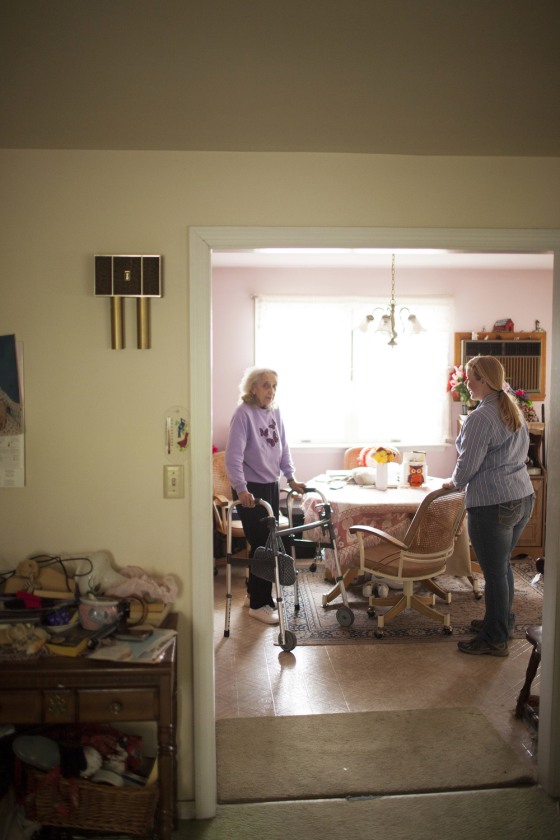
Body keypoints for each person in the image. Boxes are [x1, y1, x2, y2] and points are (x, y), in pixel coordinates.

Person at [443, 355, 534, 657]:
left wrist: (452, 483)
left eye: (471, 377)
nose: (466, 383)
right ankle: (501, 622)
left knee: (493, 572)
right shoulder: (512, 407)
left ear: (483, 379)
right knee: (501, 566)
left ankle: (494, 638)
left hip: (493, 503)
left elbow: (467, 465)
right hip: (522, 496)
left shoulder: (481, 417)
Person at [225, 367, 306, 625]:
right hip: (250, 488)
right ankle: (260, 604)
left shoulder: (275, 411)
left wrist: (291, 477)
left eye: (274, 386)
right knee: (262, 545)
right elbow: (233, 457)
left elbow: (283, 447)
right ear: (253, 388)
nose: (271, 391)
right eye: (265, 386)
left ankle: (253, 595)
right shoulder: (242, 415)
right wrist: (240, 488)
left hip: (270, 483)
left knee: (268, 542)